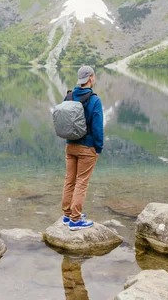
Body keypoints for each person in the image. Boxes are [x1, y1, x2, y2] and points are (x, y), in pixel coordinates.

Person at [61, 66, 104, 230]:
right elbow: (98, 128)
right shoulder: (94, 100)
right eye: (94, 76)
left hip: (70, 145)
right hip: (87, 148)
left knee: (69, 181)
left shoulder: (69, 96)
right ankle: (75, 219)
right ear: (91, 78)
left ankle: (67, 215)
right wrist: (98, 148)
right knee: (81, 183)